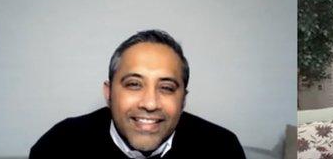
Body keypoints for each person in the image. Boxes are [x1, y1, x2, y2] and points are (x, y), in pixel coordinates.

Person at [30, 30, 245, 158]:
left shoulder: (222, 149)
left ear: (183, 100)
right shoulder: (58, 146)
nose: (150, 103)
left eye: (167, 88)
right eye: (134, 84)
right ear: (109, 93)